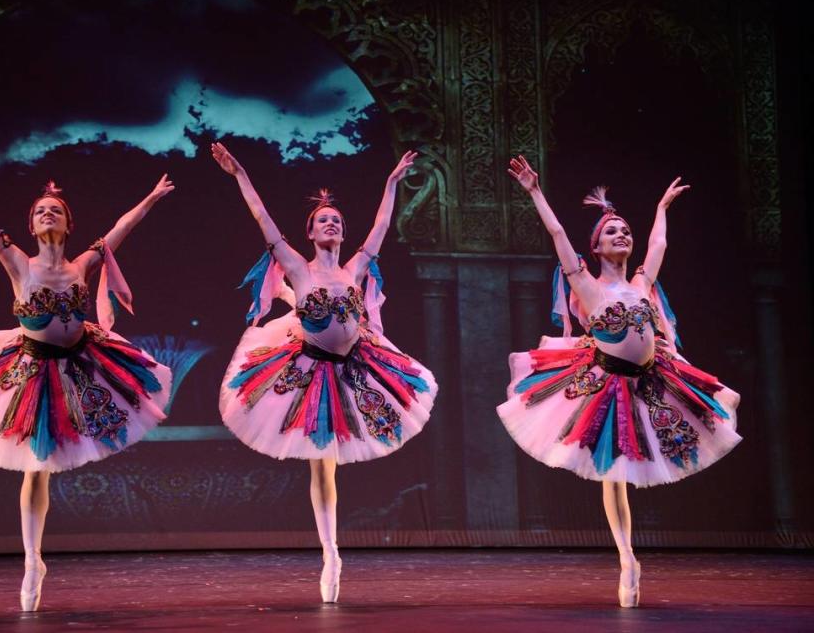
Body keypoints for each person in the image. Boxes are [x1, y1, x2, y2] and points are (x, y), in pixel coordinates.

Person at [0, 126, 176, 611]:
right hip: (33, 372)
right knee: (35, 468)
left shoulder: (82, 264)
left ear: (65, 223)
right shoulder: (17, 262)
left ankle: (38, 554)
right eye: (40, 210)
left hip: (82, 366)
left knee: (51, 465)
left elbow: (122, 230)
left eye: (54, 210)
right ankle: (32, 559)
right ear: (32, 224)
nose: (46, 213)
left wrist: (152, 197)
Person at [497, 155, 742, 607]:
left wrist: (662, 210)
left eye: (625, 229)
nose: (621, 234)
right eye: (612, 231)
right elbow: (557, 235)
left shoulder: (642, 283)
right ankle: (627, 558)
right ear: (595, 247)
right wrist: (534, 191)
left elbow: (659, 247)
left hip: (651, 380)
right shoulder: (585, 284)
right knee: (613, 475)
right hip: (606, 383)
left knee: (684, 432)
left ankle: (630, 555)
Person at [212, 142, 437, 603]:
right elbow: (263, 221)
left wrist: (391, 182)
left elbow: (381, 228)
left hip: (355, 371)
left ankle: (333, 551)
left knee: (331, 467)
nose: (331, 223)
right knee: (322, 468)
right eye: (322, 221)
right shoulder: (296, 266)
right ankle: (330, 552)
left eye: (336, 220)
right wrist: (240, 175)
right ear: (310, 233)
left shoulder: (355, 268)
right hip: (309, 372)